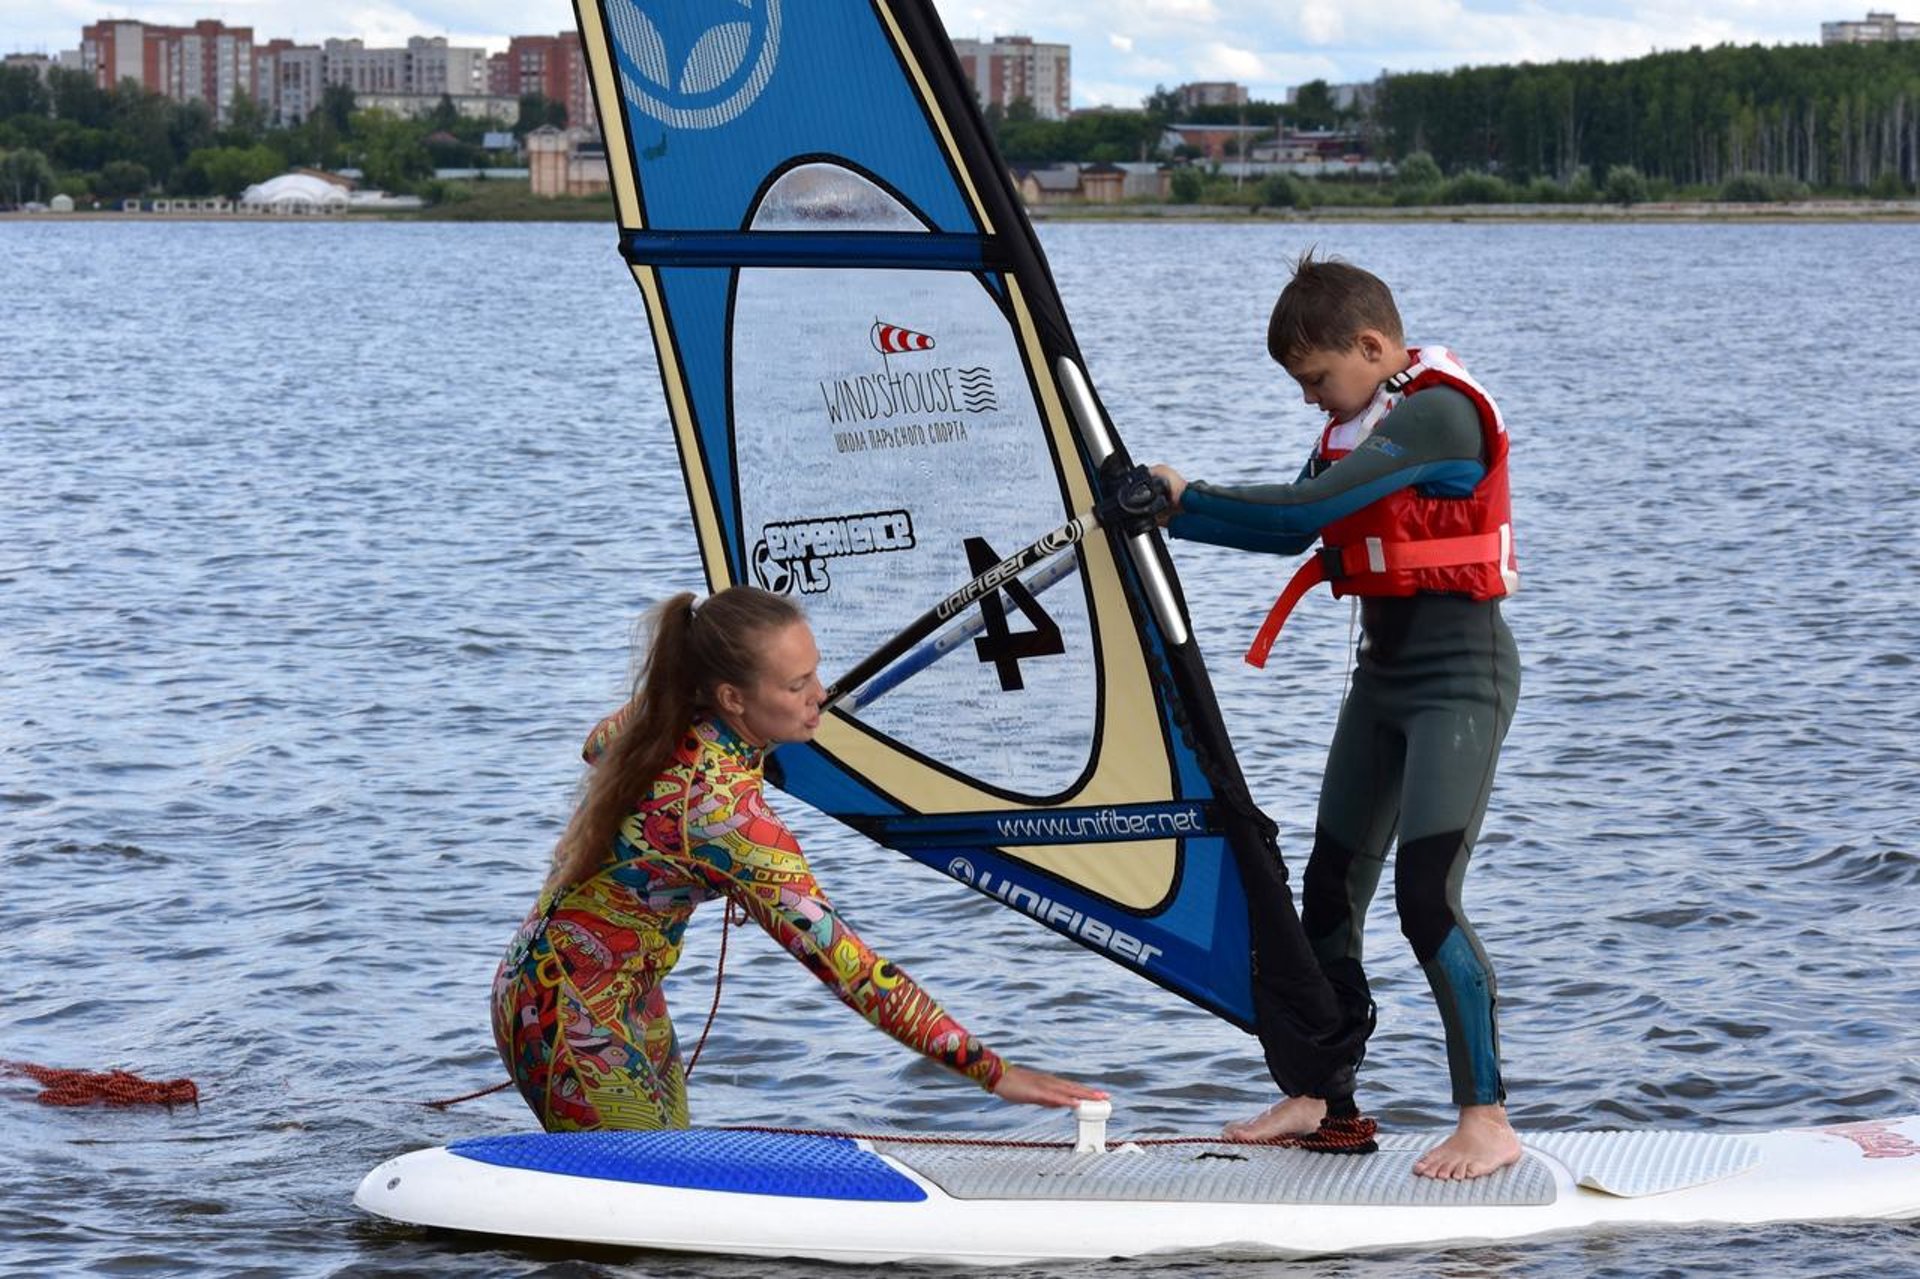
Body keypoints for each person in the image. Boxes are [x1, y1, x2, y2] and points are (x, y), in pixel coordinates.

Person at [1152, 252, 1522, 1180]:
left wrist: (1178, 499)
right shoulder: (1362, 420)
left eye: (1317, 378)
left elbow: (1294, 518)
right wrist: (1160, 511)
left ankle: (1487, 1117)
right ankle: (1328, 1101)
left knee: (1426, 899)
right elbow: (1290, 512)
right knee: (1327, 893)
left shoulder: (1437, 411)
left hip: (1459, 682)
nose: (1313, 401)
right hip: (1381, 681)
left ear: (1370, 344)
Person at [491, 585, 1106, 1132]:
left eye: (814, 673)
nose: (821, 695)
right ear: (731, 696)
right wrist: (990, 1071)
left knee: (669, 1170)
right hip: (565, 1011)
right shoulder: (732, 822)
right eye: (795, 686)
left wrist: (747, 755)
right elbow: (851, 969)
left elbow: (597, 743)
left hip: (615, 990)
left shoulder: (663, 718)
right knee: (639, 1194)